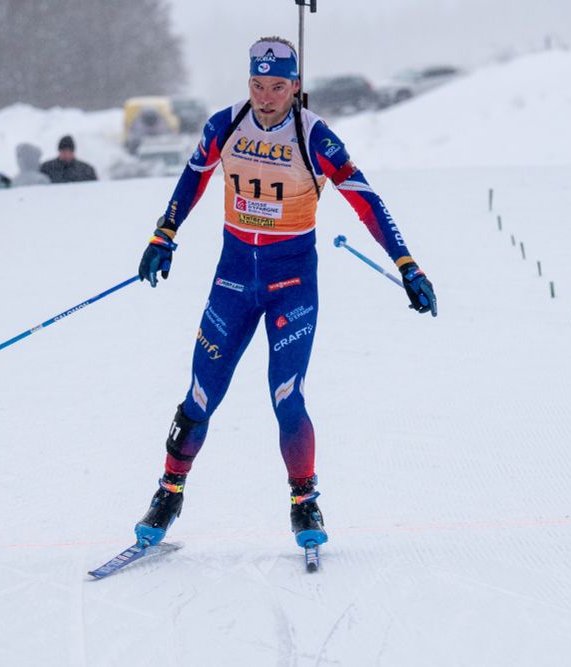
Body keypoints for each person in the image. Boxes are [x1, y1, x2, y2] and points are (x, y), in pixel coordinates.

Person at [133, 37, 437, 553]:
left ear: (295, 87)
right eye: (257, 85)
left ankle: (304, 501)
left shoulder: (312, 135)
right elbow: (193, 179)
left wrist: (406, 263)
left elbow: (365, 200)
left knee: (286, 396)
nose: (266, 97)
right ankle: (169, 492)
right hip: (232, 281)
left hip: (291, 283)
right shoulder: (225, 124)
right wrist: (164, 234)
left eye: (278, 87)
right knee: (201, 397)